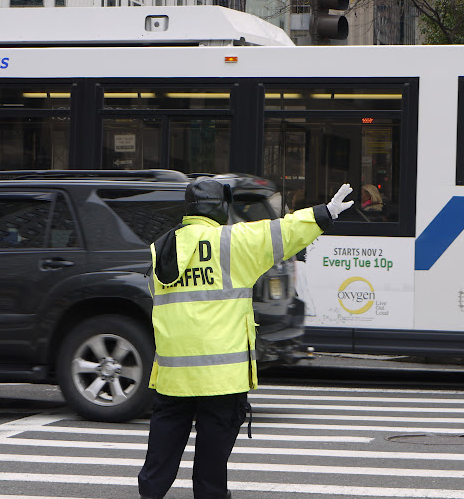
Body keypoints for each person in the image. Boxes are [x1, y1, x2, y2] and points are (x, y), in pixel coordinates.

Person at [138, 178, 354, 499]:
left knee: (159, 460)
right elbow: (284, 231)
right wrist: (325, 213)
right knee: (211, 469)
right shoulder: (233, 243)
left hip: (173, 377)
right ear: (222, 207)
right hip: (221, 379)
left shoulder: (160, 249)